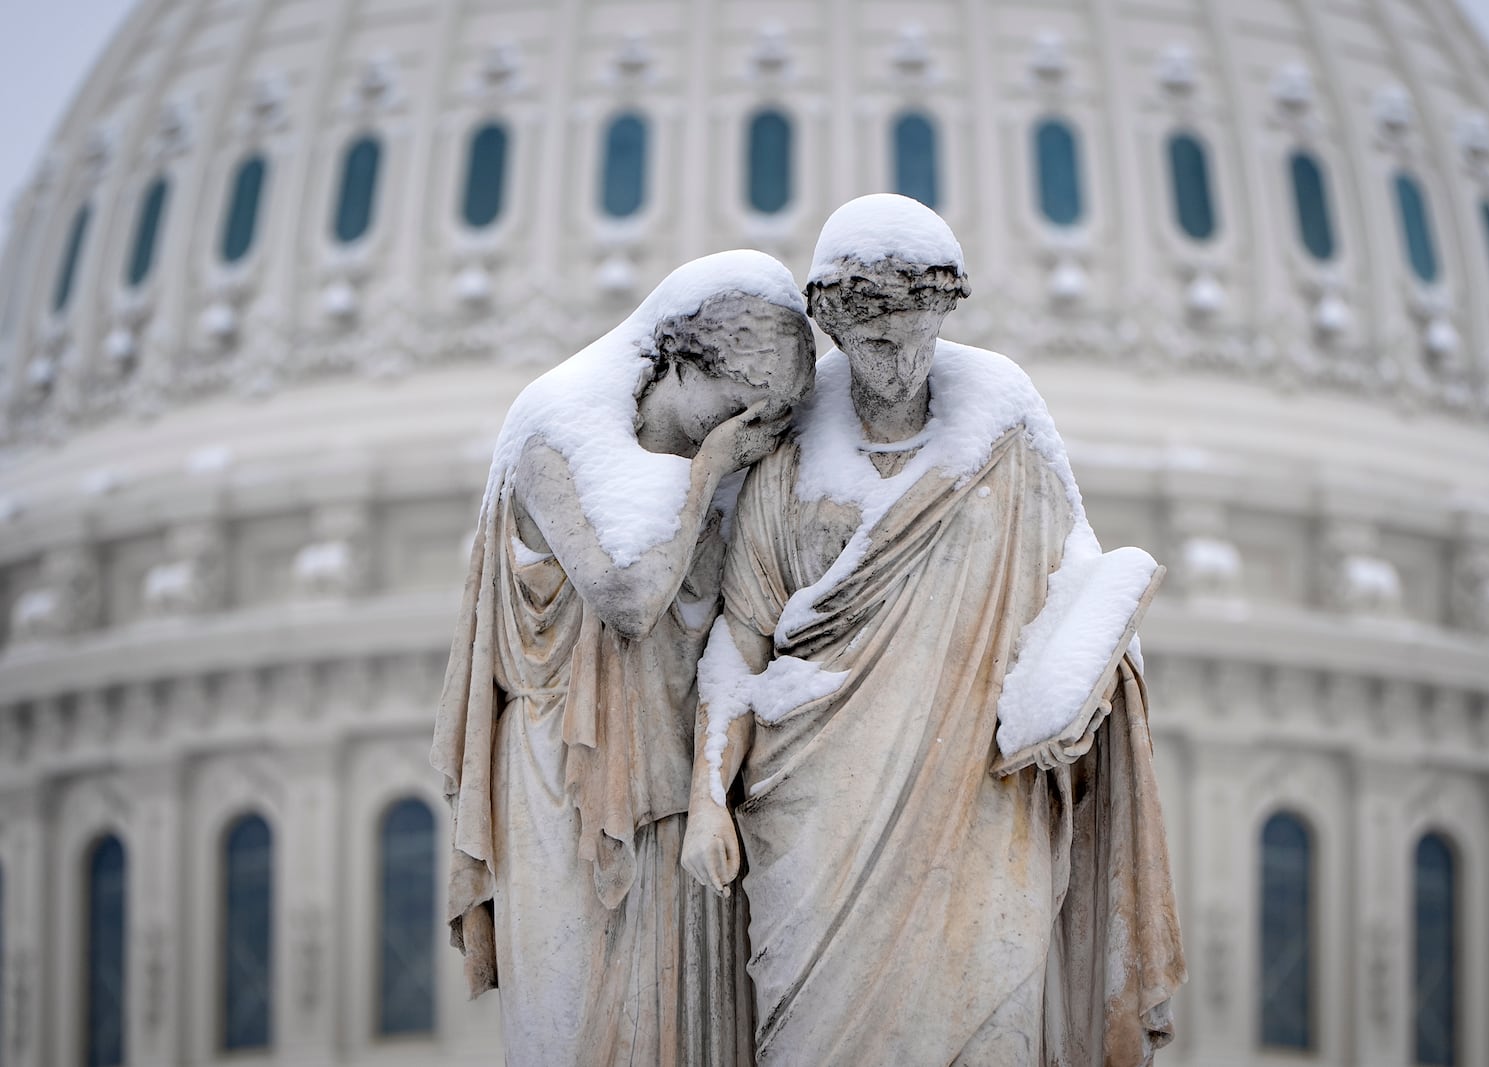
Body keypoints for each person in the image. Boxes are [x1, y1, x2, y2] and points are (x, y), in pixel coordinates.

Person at [681, 196, 1187, 1065]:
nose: (902, 357)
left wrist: (1086, 688)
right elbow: (742, 641)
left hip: (981, 814)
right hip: (817, 822)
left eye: (919, 330)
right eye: (876, 339)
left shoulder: (1007, 440)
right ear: (835, 331)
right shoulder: (792, 464)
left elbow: (1076, 595)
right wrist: (705, 796)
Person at [431, 249, 815, 1066]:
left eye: (764, 419)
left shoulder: (734, 459)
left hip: (680, 793)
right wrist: (710, 469)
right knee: (581, 1031)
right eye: (735, 409)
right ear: (678, 361)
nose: (746, 433)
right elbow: (631, 600)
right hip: (569, 783)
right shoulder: (555, 436)